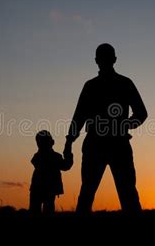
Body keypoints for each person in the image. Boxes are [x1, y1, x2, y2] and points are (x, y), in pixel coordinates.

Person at [65, 43, 148, 214]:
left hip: (111, 144)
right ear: (113, 59)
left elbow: (141, 113)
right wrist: (69, 141)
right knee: (94, 193)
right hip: (105, 144)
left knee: (123, 194)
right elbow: (79, 116)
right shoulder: (107, 85)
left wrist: (69, 141)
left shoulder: (107, 85)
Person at [29, 130, 73, 215]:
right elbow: (67, 166)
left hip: (37, 189)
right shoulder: (54, 157)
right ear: (51, 142)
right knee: (47, 211)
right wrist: (68, 149)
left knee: (34, 211)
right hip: (48, 189)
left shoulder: (37, 157)